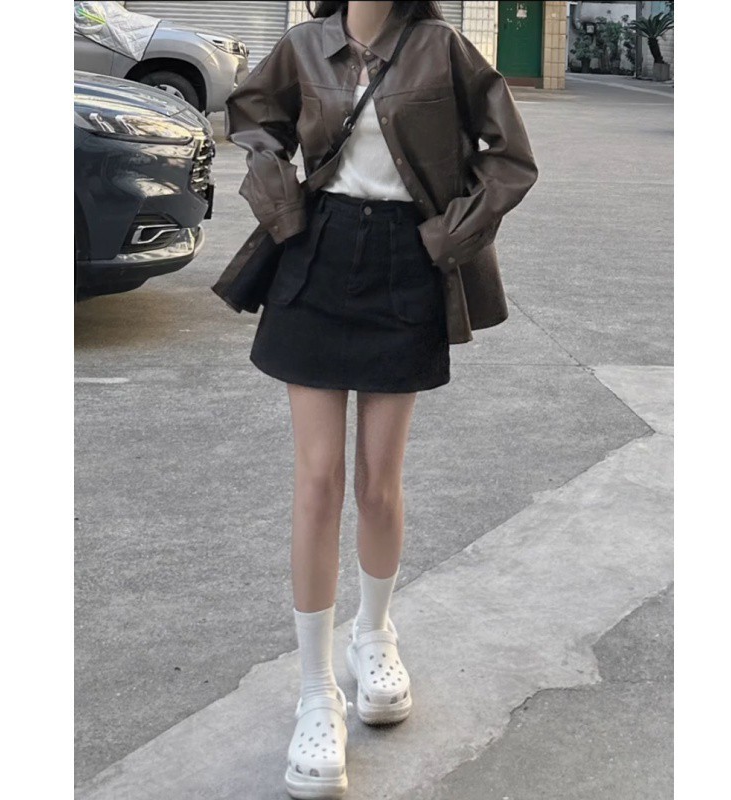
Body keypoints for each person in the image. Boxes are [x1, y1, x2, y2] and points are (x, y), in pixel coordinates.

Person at [224, 2, 538, 797]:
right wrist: (274, 184)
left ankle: (374, 635)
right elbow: (252, 115)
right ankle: (315, 693)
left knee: (378, 481)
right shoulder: (302, 46)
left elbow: (510, 157)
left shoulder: (443, 48)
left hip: (407, 260)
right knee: (316, 480)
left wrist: (454, 234)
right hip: (317, 252)